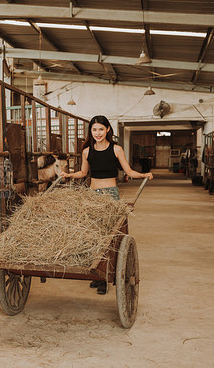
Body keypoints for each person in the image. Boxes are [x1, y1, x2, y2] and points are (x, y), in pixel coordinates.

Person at [60, 115, 153, 294]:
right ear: (90, 132)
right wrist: (69, 175)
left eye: (101, 129)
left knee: (108, 237)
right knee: (91, 235)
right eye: (94, 130)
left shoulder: (116, 149)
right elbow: (83, 172)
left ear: (108, 130)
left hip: (111, 196)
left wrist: (143, 175)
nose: (98, 133)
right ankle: (96, 273)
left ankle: (104, 277)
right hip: (92, 196)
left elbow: (129, 171)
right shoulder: (87, 151)